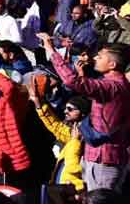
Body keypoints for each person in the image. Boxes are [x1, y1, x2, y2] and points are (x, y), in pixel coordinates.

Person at [40, 33, 129, 190]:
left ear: (112, 65)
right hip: (101, 158)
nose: (95, 58)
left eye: (100, 57)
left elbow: (71, 81)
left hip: (103, 160)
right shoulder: (116, 84)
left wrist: (50, 49)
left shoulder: (112, 87)